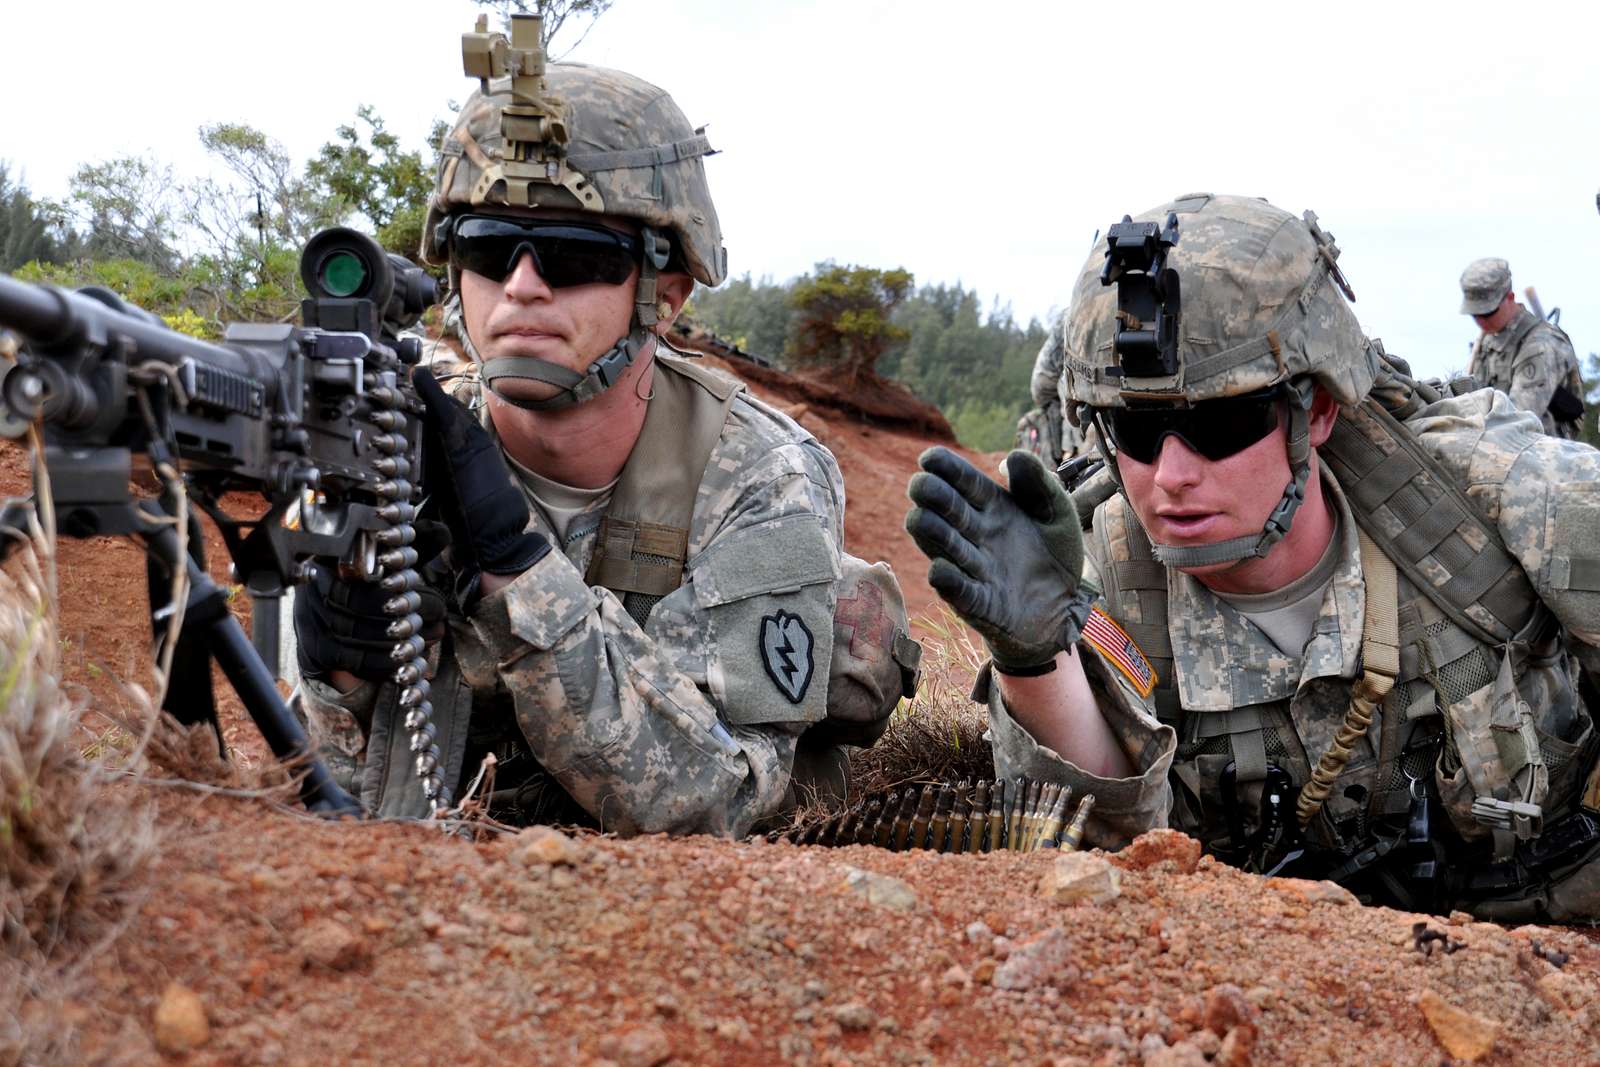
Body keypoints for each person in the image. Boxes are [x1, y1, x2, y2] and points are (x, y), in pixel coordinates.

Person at [293, 15, 918, 834]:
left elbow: (722, 794)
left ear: (667, 293)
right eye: (486, 248)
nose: (521, 287)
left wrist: (515, 573)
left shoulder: (759, 472)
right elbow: (331, 799)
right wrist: (336, 680)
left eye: (576, 256)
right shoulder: (394, 436)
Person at [907, 194, 1600, 921]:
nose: (1170, 474)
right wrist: (1033, 658)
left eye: (1220, 422)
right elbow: (1105, 849)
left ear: (1320, 410)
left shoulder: (1503, 497)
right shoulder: (1099, 575)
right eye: (1135, 431)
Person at [1461, 257, 1585, 439]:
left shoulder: (1542, 344)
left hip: (1538, 454)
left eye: (1487, 313)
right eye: (1475, 314)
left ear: (1510, 298)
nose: (1481, 321)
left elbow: (1518, 417)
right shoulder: (1488, 342)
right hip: (1498, 446)